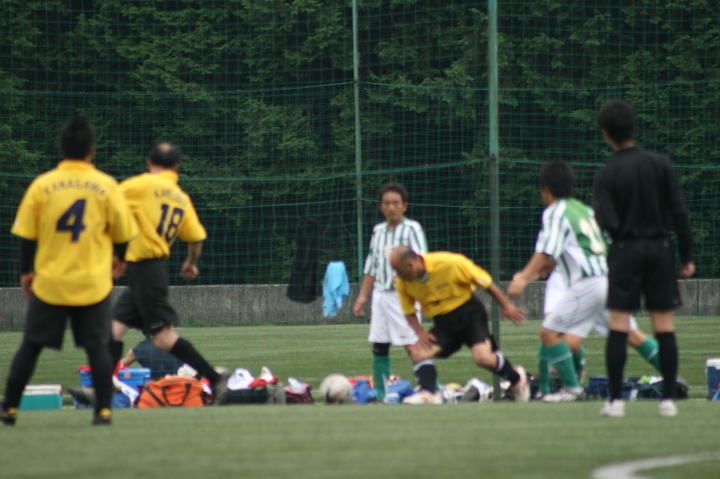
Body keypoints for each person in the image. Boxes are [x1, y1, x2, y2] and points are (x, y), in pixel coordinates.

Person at [0, 119, 137, 426]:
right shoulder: (106, 185)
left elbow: (26, 236)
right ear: (91, 150)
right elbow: (124, 232)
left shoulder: (42, 185)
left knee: (31, 345)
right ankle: (103, 410)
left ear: (61, 149)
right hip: (92, 282)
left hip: (51, 282)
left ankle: (9, 408)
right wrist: (121, 259)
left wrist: (25, 272)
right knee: (97, 346)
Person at [508, 160, 667, 403]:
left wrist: (523, 277)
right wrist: (548, 267)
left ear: (546, 189)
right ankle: (672, 376)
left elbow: (545, 250)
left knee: (549, 332)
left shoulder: (555, 212)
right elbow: (586, 248)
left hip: (588, 283)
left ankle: (572, 389)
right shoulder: (585, 211)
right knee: (632, 334)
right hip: (608, 280)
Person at [593, 101, 694, 418]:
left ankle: (615, 402)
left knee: (619, 326)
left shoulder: (607, 173)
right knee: (664, 326)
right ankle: (668, 400)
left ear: (605, 133)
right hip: (660, 248)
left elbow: (605, 220)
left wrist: (622, 234)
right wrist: (687, 255)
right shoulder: (660, 164)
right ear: (633, 127)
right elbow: (679, 212)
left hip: (625, 251)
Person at [108, 141, 230, 405]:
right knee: (114, 330)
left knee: (163, 338)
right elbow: (196, 237)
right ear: (176, 166)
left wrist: (114, 252)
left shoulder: (139, 185)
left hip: (147, 271)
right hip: (148, 272)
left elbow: (112, 211)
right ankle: (104, 389)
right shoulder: (180, 197)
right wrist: (191, 262)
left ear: (149, 163)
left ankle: (214, 378)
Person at [389, 246, 529, 404]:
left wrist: (506, 305)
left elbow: (485, 282)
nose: (396, 275)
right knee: (418, 352)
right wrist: (420, 333)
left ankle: (517, 380)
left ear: (410, 266)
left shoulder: (449, 263)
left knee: (483, 358)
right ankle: (429, 394)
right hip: (444, 323)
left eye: (398, 270)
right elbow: (408, 311)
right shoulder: (402, 282)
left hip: (470, 315)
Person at [352, 183, 428, 402]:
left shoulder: (412, 229)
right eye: (386, 203)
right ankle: (382, 395)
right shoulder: (378, 231)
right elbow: (371, 266)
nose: (391, 207)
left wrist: (408, 278)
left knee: (412, 344)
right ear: (380, 206)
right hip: (380, 296)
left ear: (405, 206)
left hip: (403, 295)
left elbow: (421, 261)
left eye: (396, 203)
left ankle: (430, 389)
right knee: (380, 345)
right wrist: (362, 296)